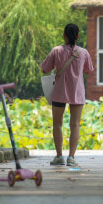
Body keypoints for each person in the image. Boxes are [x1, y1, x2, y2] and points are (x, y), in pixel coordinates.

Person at [40, 23, 94, 167]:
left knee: (57, 124)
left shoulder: (56, 51)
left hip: (59, 92)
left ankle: (59, 156)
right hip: (77, 92)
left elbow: (44, 69)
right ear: (77, 36)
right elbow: (89, 70)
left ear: (64, 35)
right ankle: (71, 157)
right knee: (75, 125)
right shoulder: (83, 53)